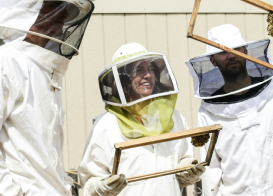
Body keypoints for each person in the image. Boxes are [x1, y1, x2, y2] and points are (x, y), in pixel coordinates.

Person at [0, 0, 94, 196]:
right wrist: (10, 192)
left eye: (63, 19)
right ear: (33, 13)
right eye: (57, 16)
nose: (61, 27)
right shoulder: (4, 61)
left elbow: (43, 155)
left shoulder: (45, 69)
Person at [185, 24, 273, 195]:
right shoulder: (208, 112)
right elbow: (211, 172)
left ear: (245, 51)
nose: (231, 55)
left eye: (235, 49)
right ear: (213, 60)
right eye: (223, 52)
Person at [78, 43, 204, 196]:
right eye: (139, 70)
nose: (149, 75)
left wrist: (188, 170)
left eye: (151, 69)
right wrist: (101, 187)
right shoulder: (106, 125)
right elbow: (90, 180)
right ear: (123, 79)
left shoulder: (174, 117)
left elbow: (180, 169)